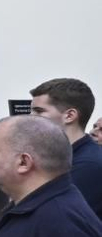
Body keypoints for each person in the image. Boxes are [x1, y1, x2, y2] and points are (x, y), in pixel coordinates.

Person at [29, 77, 102, 217]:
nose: (31, 117)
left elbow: (53, 215)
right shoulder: (62, 158)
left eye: (39, 111)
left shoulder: (90, 164)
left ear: (69, 115)